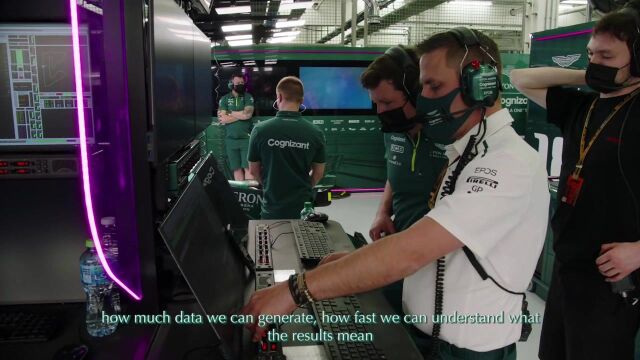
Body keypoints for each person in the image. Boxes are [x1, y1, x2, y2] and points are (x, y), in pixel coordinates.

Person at [243, 28, 549, 359]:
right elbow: (440, 251)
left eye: (434, 86)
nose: (426, 99)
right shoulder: (465, 153)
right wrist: (347, 264)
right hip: (430, 337)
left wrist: (296, 290)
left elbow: (412, 251)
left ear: (481, 85)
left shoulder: (506, 162)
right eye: (423, 87)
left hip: (465, 351)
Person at [511, 3, 640, 359]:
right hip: (568, 269)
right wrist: (592, 75)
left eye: (606, 55)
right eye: (590, 54)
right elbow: (520, 79)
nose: (595, 61)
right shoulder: (582, 106)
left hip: (611, 278)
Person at [360, 45, 448, 314]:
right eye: (376, 103)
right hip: (398, 246)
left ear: (415, 92)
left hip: (439, 261)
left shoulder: (450, 135)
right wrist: (383, 211)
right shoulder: (393, 128)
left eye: (387, 103)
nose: (380, 112)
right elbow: (394, 170)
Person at [247, 76, 326, 219]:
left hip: (271, 210)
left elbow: (253, 170)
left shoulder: (260, 130)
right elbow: (318, 173)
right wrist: (305, 188)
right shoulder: (316, 133)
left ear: (279, 96)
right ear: (301, 100)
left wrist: (269, 187)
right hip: (304, 211)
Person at [218, 73, 255, 181]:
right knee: (236, 169)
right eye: (238, 83)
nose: (240, 85)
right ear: (231, 84)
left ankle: (249, 194)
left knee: (248, 169)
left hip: (246, 139)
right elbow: (222, 119)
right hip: (231, 140)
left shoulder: (248, 97)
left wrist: (229, 113)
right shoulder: (224, 99)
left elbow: (248, 114)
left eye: (242, 83)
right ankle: (241, 194)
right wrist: (241, 114)